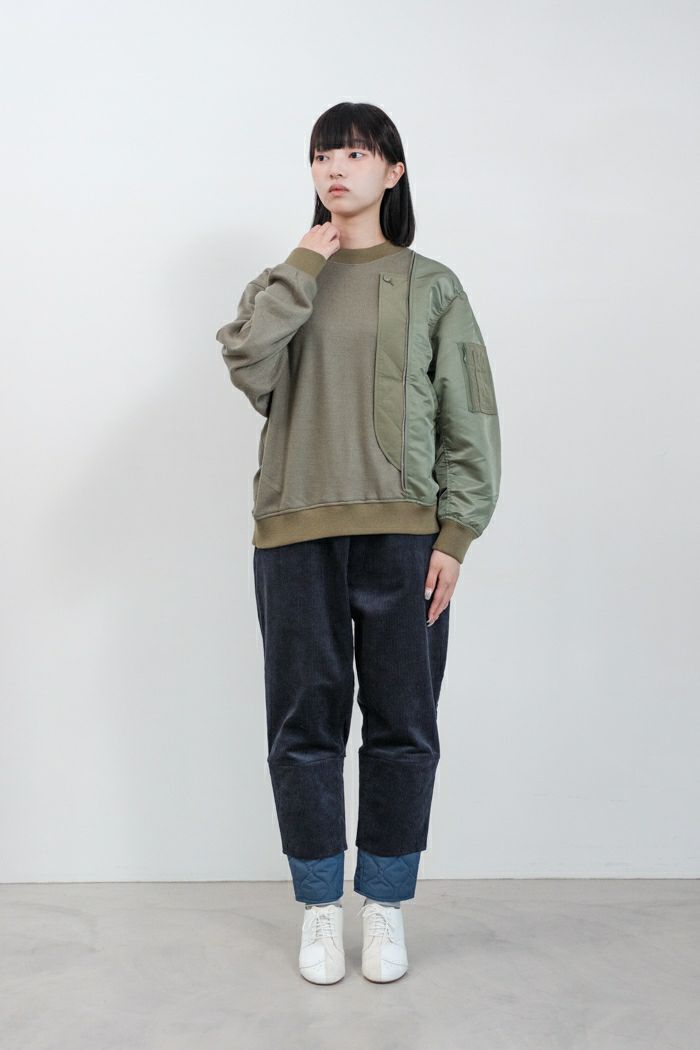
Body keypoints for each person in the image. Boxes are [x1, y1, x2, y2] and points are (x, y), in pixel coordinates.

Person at [215, 101, 501, 984]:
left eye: (354, 153)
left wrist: (456, 534)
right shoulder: (285, 280)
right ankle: (316, 908)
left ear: (392, 171)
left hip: (405, 539)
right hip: (295, 533)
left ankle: (383, 905)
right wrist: (305, 261)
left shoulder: (432, 285)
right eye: (321, 156)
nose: (335, 169)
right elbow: (245, 360)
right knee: (303, 727)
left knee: (404, 726)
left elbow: (468, 416)